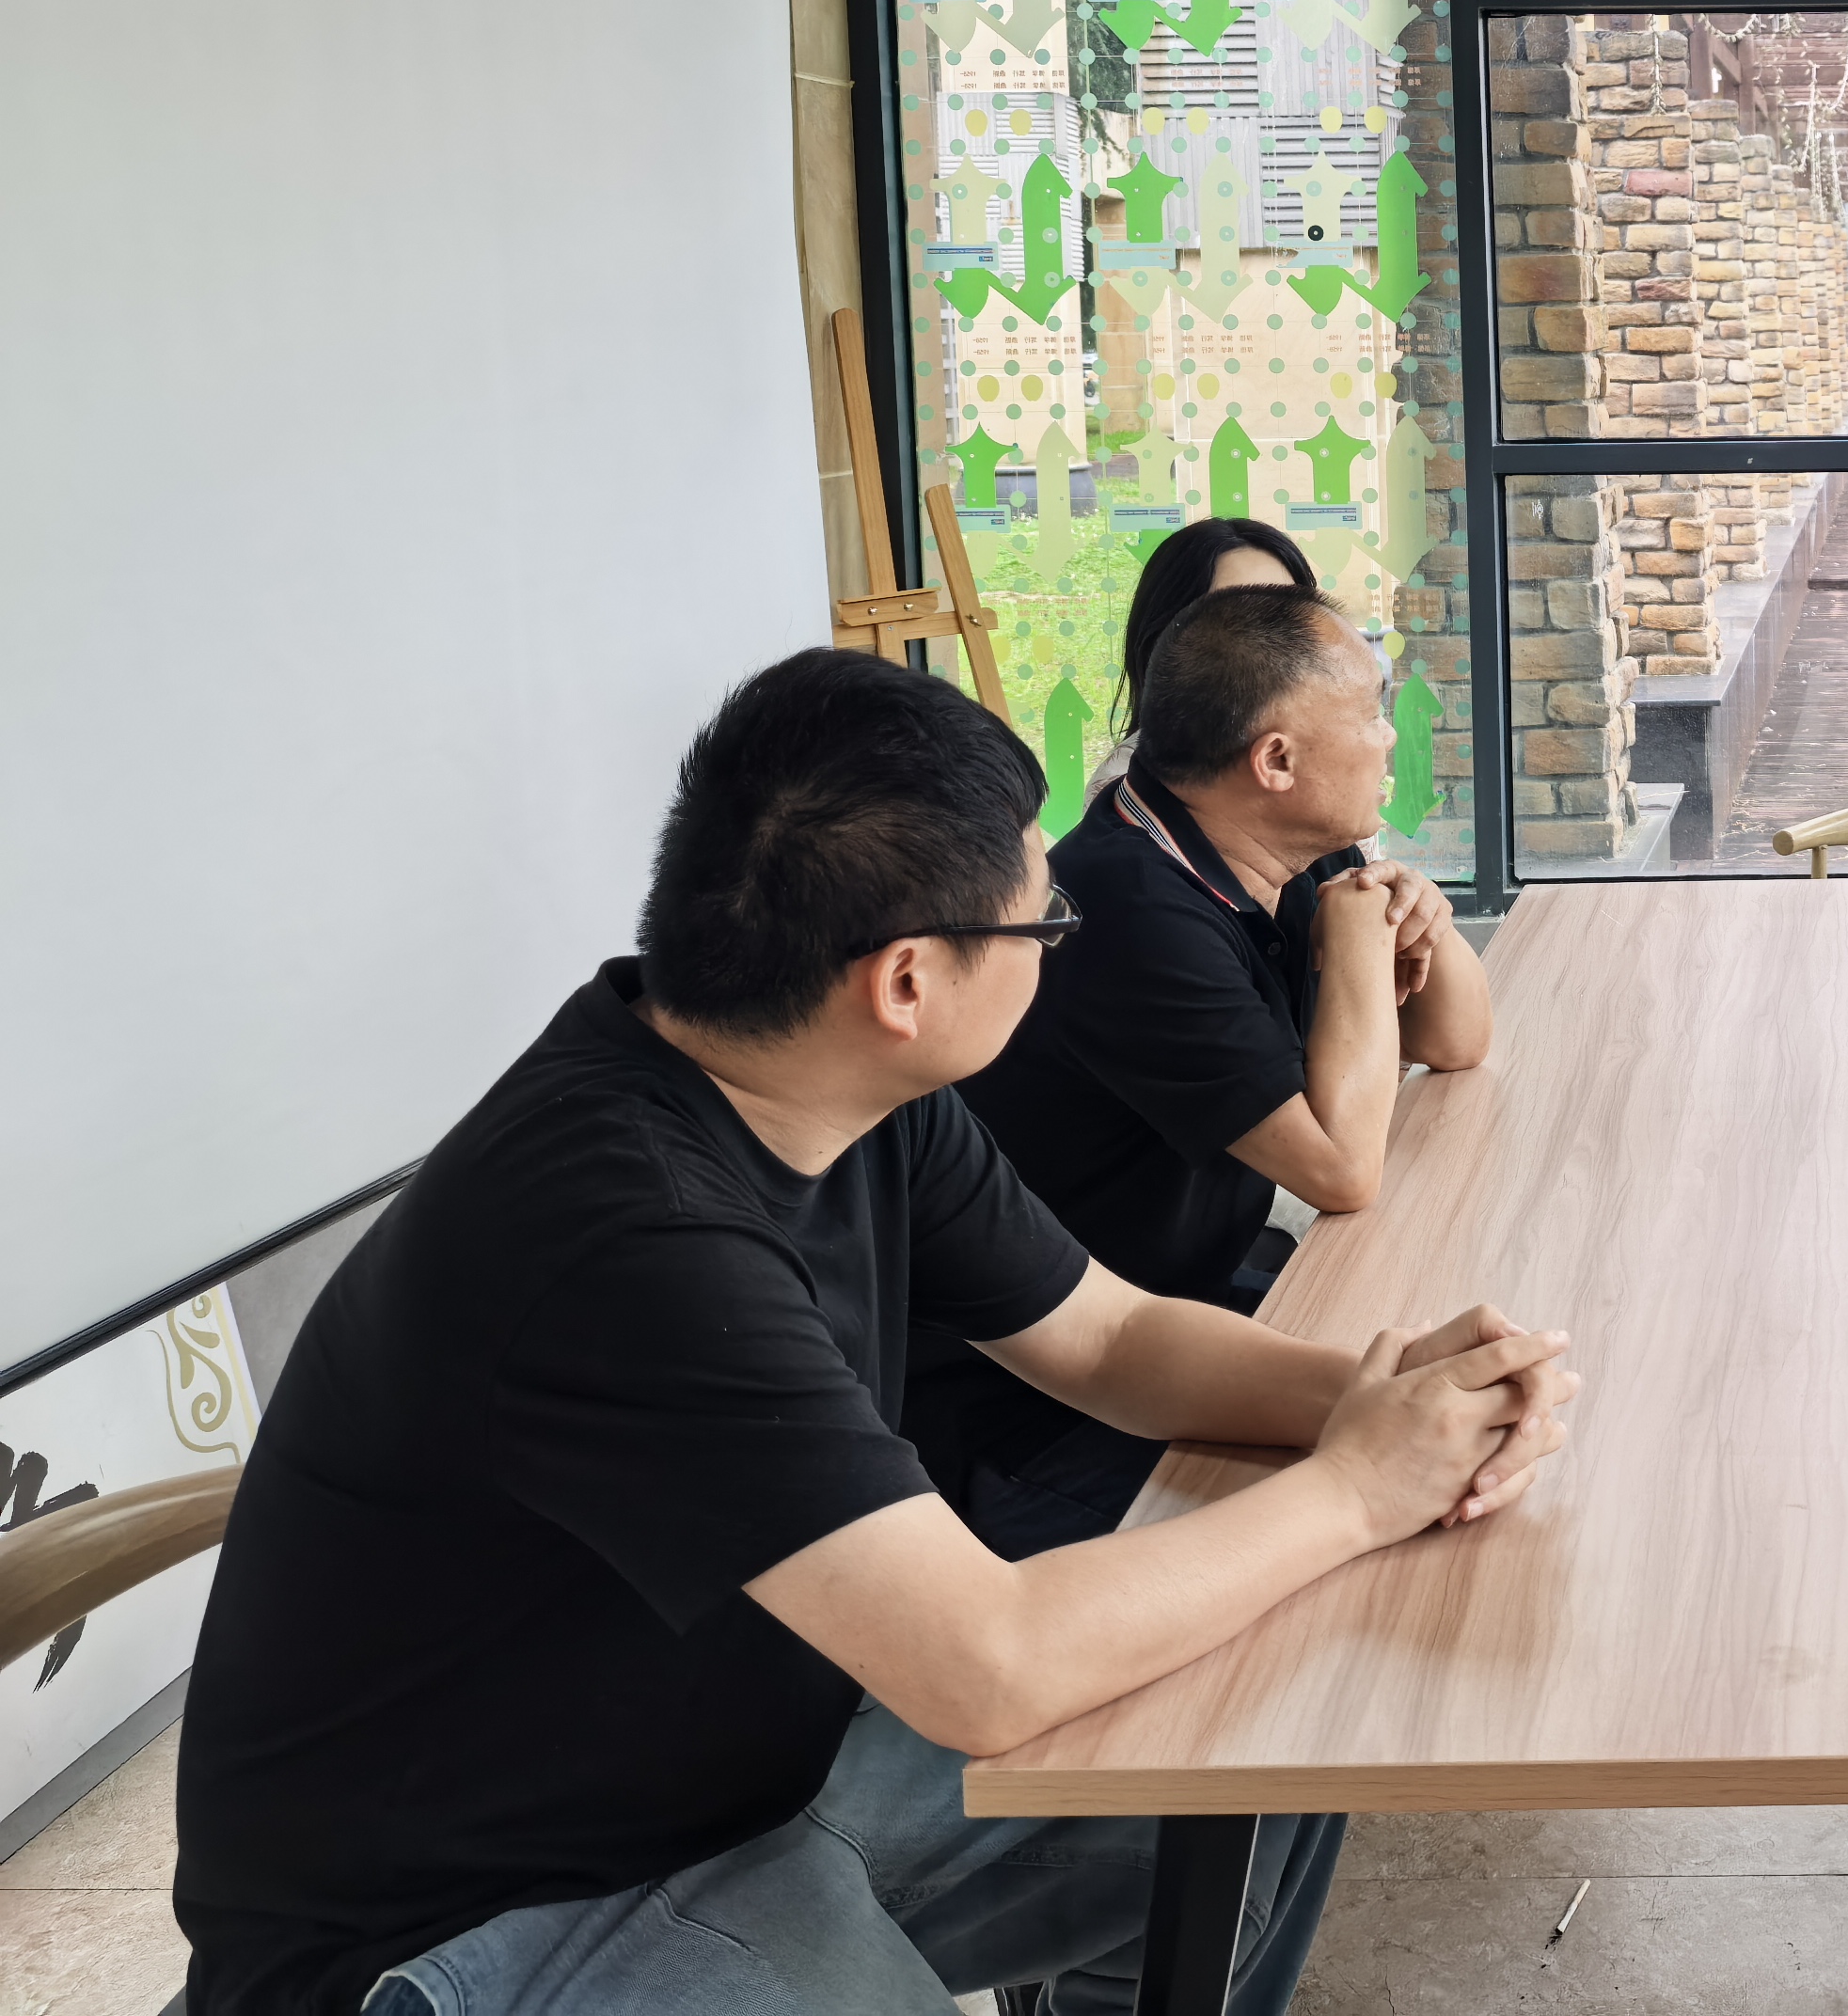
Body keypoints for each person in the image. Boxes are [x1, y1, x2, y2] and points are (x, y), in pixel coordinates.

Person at [173, 649, 1572, 2016]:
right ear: (906, 981)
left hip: (737, 1773)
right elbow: (986, 1667)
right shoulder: (627, 1235)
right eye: (1045, 924)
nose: (1061, 942)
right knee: (1238, 1616)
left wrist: (1394, 1398)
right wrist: (1355, 1489)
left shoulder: (832, 1090)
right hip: (481, 1926)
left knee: (1267, 1747)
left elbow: (1109, 1341)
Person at [909, 583, 1493, 1552]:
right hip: (1042, 1411)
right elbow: (1339, 1169)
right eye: (1371, 711)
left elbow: (1458, 1041)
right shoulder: (1130, 909)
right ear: (1276, 761)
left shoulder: (1275, 843)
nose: (1390, 736)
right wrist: (1360, 937)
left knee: (1448, 1408)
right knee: (1413, 1525)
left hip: (1180, 1313)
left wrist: (1411, 903)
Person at [1091, 514, 1318, 798]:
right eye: (1234, 618)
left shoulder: (1335, 753)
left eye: (1288, 616)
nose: (1269, 640)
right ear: (1163, 641)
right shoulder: (1127, 787)